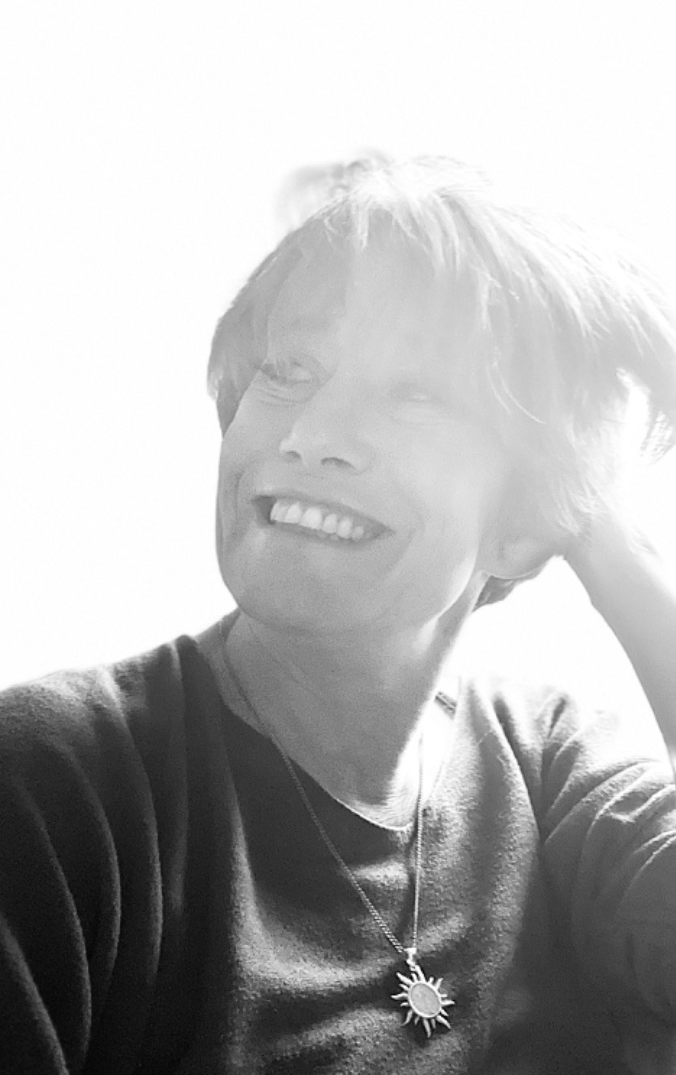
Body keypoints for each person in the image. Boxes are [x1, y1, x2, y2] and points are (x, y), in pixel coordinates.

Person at [2, 156, 676, 1075]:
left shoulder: (553, 765)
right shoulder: (51, 785)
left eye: (416, 394)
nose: (310, 436)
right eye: (289, 371)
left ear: (530, 523)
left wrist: (623, 563)